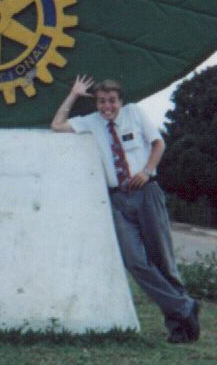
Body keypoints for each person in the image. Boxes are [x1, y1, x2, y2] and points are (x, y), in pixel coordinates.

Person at [51, 75, 201, 343]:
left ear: (120, 101)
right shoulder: (92, 123)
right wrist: (74, 94)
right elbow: (57, 125)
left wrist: (147, 170)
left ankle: (178, 327)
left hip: (146, 193)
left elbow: (158, 143)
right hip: (119, 199)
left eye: (111, 101)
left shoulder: (134, 113)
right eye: (101, 101)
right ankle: (184, 306)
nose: (106, 106)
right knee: (134, 261)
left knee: (162, 261)